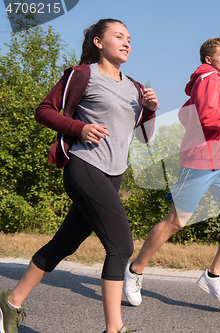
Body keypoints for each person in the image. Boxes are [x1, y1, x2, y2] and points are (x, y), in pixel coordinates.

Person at [0, 18, 158, 333]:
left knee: (64, 244)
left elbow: (143, 138)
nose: (127, 42)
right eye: (118, 36)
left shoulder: (136, 88)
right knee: (121, 247)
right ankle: (115, 329)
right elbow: (44, 110)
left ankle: (11, 302)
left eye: (129, 38)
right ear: (99, 42)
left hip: (114, 174)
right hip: (85, 166)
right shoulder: (82, 75)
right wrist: (81, 127)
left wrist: (150, 110)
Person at [123, 37, 220, 308]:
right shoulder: (209, 77)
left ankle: (213, 276)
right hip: (199, 162)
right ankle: (134, 270)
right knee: (176, 222)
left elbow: (187, 115)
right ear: (209, 59)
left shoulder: (210, 80)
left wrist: (212, 124)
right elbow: (207, 118)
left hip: (219, 162)